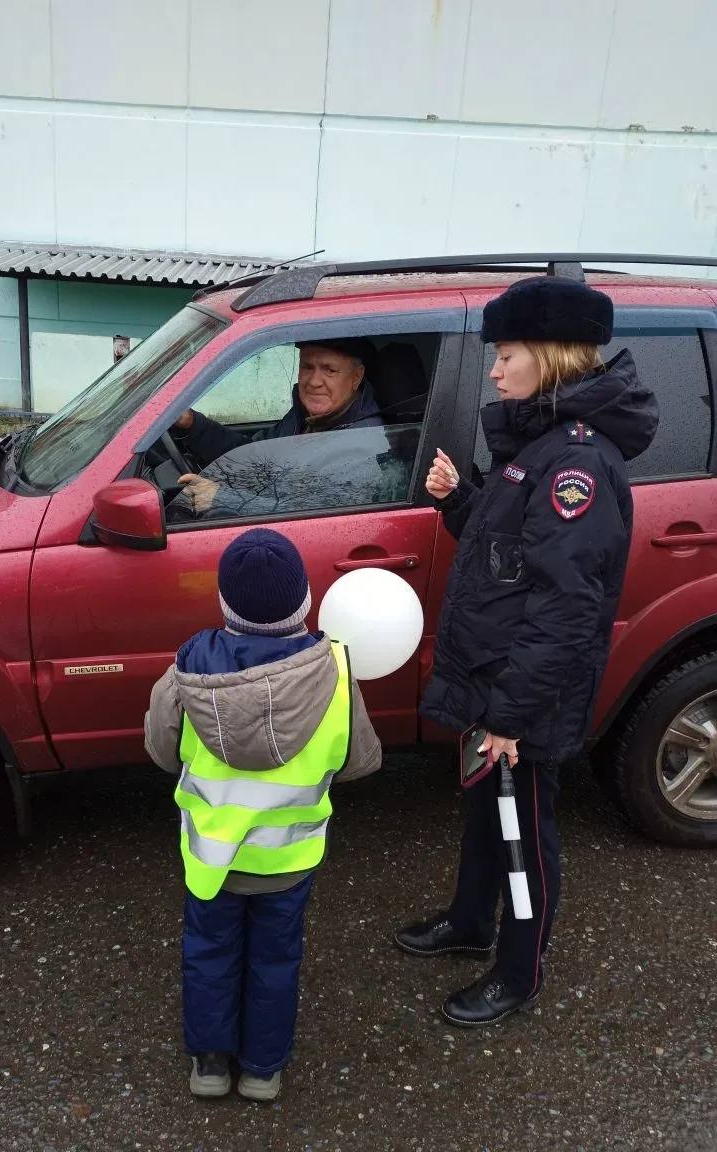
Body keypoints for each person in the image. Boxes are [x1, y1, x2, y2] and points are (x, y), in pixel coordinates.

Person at [395, 276, 658, 1026]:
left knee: (523, 834)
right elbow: (509, 556)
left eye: (505, 354)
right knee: (487, 809)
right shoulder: (538, 446)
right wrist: (458, 501)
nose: (494, 369)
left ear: (546, 355)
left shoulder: (577, 463)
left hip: (523, 694)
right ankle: (471, 924)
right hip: (496, 679)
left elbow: (566, 608)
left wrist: (511, 714)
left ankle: (519, 969)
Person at [145, 529, 382, 1099]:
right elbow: (359, 761)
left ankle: (208, 1064)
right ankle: (261, 1070)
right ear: (304, 601)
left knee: (208, 954)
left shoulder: (186, 672)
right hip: (288, 862)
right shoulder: (336, 672)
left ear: (224, 603)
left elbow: (159, 749)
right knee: (276, 962)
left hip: (210, 860)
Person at [172, 339, 382, 513]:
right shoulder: (305, 419)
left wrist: (221, 498)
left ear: (356, 377)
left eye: (329, 370)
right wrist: (193, 425)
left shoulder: (362, 446)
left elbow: (313, 517)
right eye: (307, 367)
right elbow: (252, 457)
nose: (314, 381)